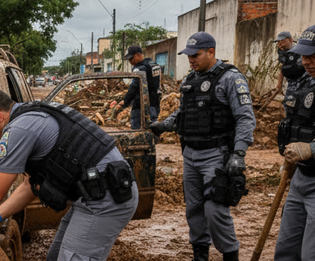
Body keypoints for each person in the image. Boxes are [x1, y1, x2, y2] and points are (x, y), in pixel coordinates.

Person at [0, 87, 139, 260]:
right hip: (95, 194)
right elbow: (32, 184)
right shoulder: (31, 114)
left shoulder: (19, 129)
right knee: (55, 256)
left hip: (105, 199)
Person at [150, 32, 256, 261]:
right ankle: (200, 255)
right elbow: (184, 113)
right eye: (188, 55)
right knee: (194, 209)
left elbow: (245, 118)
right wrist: (163, 125)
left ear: (211, 52)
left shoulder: (231, 78)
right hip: (190, 154)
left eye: (195, 55)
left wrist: (239, 153)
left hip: (216, 154)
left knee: (215, 209)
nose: (191, 59)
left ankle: (230, 255)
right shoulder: (190, 79)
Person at [274, 24, 315, 261]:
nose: (306, 62)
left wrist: (311, 149)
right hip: (300, 178)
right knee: (286, 250)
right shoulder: (306, 85)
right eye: (304, 56)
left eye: (312, 56)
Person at [110, 45, 161, 129]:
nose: (130, 61)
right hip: (154, 105)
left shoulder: (139, 69)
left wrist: (125, 102)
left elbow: (133, 87)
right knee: (152, 129)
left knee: (137, 132)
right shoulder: (154, 65)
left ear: (138, 55)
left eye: (131, 58)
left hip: (140, 106)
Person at [272, 31, 307, 115]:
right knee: (288, 104)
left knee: (302, 105)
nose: (280, 45)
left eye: (282, 42)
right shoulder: (282, 51)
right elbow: (283, 67)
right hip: (290, 83)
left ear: (290, 40)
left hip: (302, 82)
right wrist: (279, 84)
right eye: (278, 43)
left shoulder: (300, 51)